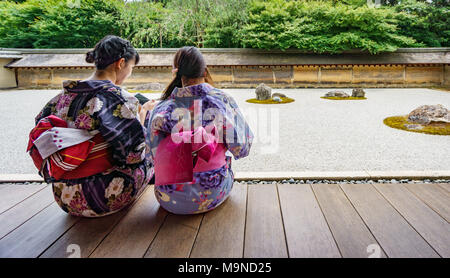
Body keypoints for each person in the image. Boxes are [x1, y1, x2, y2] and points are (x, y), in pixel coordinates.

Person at [31, 35, 155, 217]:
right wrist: (142, 118)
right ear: (120, 63)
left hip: (64, 197)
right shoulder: (117, 98)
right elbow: (134, 155)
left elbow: (40, 127)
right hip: (103, 197)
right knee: (152, 146)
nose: (130, 73)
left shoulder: (61, 97)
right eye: (131, 67)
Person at [146, 46, 253, 214]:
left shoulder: (161, 109)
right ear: (204, 71)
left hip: (169, 196)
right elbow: (242, 148)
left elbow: (152, 156)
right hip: (213, 192)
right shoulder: (221, 101)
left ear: (177, 72)